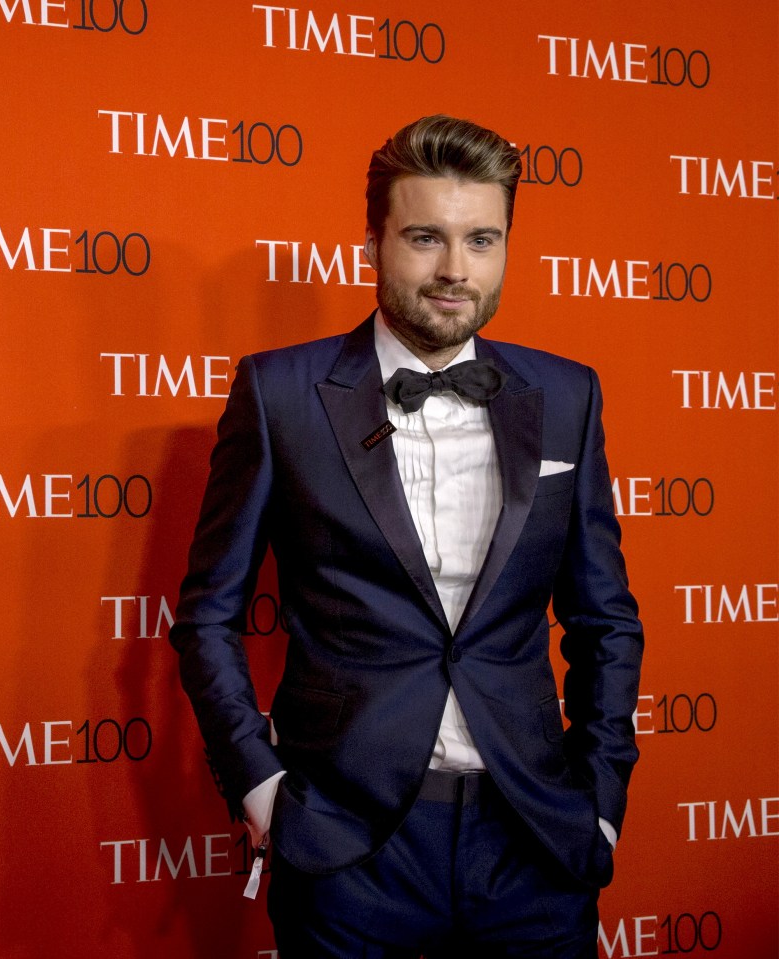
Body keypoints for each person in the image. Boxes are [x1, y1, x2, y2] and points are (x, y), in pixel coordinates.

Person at [169, 115, 643, 957]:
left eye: (482, 239)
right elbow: (209, 615)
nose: (456, 270)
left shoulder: (570, 394)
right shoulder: (281, 394)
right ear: (374, 243)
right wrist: (261, 786)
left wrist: (601, 798)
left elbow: (605, 618)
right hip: (347, 845)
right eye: (426, 237)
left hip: (532, 835)